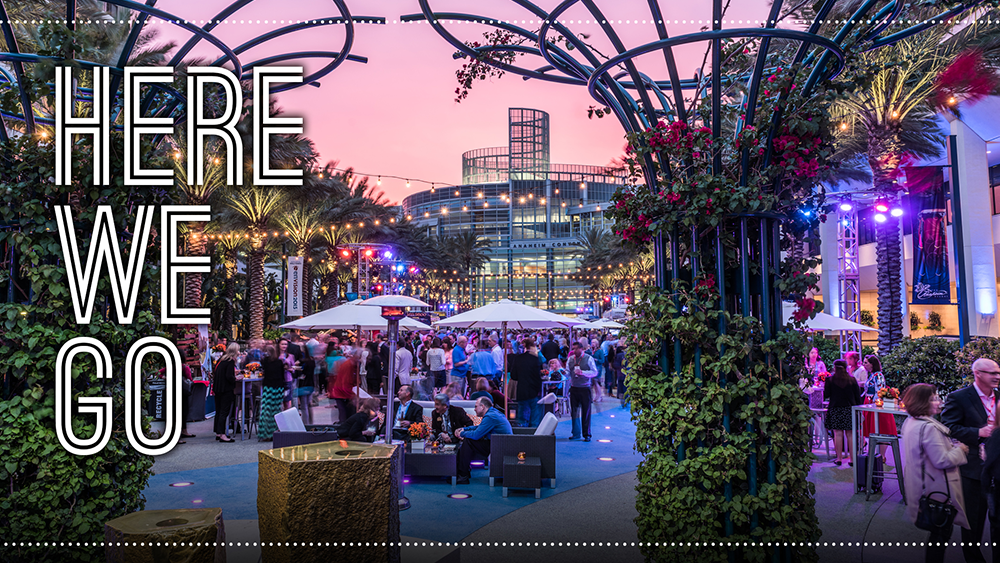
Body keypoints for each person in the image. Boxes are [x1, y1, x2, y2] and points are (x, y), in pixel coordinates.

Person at [902, 383, 970, 563]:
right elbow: (942, 460)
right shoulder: (929, 428)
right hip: (938, 490)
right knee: (940, 534)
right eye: (933, 399)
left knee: (937, 535)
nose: (938, 402)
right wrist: (961, 449)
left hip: (923, 486)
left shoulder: (911, 422)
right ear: (922, 402)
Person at [942, 357, 1000, 562]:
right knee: (973, 524)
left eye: (998, 372)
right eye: (992, 373)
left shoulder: (999, 396)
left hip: (998, 470)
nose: (997, 376)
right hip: (973, 471)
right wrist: (979, 432)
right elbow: (949, 426)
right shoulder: (959, 397)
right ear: (978, 374)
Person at [454, 396, 513, 484]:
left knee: (469, 441)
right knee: (469, 441)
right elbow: (480, 428)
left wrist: (461, 433)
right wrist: (464, 429)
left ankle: (463, 475)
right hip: (500, 444)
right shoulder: (492, 413)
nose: (474, 409)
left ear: (482, 407)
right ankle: (463, 473)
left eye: (476, 406)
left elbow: (476, 435)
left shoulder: (490, 416)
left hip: (500, 448)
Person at [824, 359, 862, 466]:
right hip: (849, 409)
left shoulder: (830, 380)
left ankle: (839, 458)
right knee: (850, 434)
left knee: (838, 434)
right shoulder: (852, 380)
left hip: (835, 408)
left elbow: (826, 395)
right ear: (846, 367)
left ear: (834, 367)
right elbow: (857, 397)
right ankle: (852, 460)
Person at [861, 355, 897, 461]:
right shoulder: (872, 375)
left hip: (876, 404)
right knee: (873, 429)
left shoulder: (878, 375)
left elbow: (880, 391)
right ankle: (874, 455)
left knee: (881, 429)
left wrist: (876, 403)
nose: (864, 364)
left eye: (866, 362)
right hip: (870, 402)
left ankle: (881, 456)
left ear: (872, 364)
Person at [567, 341, 598, 441]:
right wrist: (563, 372)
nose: (574, 351)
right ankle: (575, 433)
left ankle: (587, 434)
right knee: (574, 412)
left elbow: (595, 372)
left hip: (585, 388)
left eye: (576, 349)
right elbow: (568, 372)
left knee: (586, 412)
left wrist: (583, 373)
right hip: (574, 387)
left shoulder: (589, 358)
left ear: (582, 349)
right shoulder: (571, 359)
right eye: (573, 349)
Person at [509, 337, 544, 427]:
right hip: (533, 391)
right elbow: (537, 376)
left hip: (521, 390)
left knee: (521, 418)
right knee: (534, 418)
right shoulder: (535, 359)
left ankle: (522, 438)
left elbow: (513, 376)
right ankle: (533, 438)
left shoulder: (518, 359)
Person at [257, 344, 286, 441]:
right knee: (276, 410)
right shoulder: (279, 362)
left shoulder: (266, 362)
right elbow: (282, 376)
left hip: (268, 387)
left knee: (266, 411)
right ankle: (275, 431)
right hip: (278, 388)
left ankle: (265, 433)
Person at [213, 343, 239, 443]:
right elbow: (229, 376)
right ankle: (223, 434)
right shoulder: (230, 361)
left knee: (219, 411)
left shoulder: (222, 359)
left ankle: (218, 432)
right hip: (225, 389)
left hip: (218, 388)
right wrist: (235, 378)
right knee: (224, 411)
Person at [330, 348, 360, 424]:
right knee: (344, 415)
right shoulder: (349, 365)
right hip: (342, 393)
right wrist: (352, 396)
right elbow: (344, 383)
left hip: (343, 392)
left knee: (345, 414)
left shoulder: (352, 365)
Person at [589, 339, 606, 403]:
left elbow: (602, 360)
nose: (592, 343)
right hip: (592, 368)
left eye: (594, 342)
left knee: (596, 382)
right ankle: (597, 396)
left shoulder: (600, 351)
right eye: (592, 342)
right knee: (593, 383)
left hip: (598, 367)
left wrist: (596, 359)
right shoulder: (591, 350)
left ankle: (599, 396)